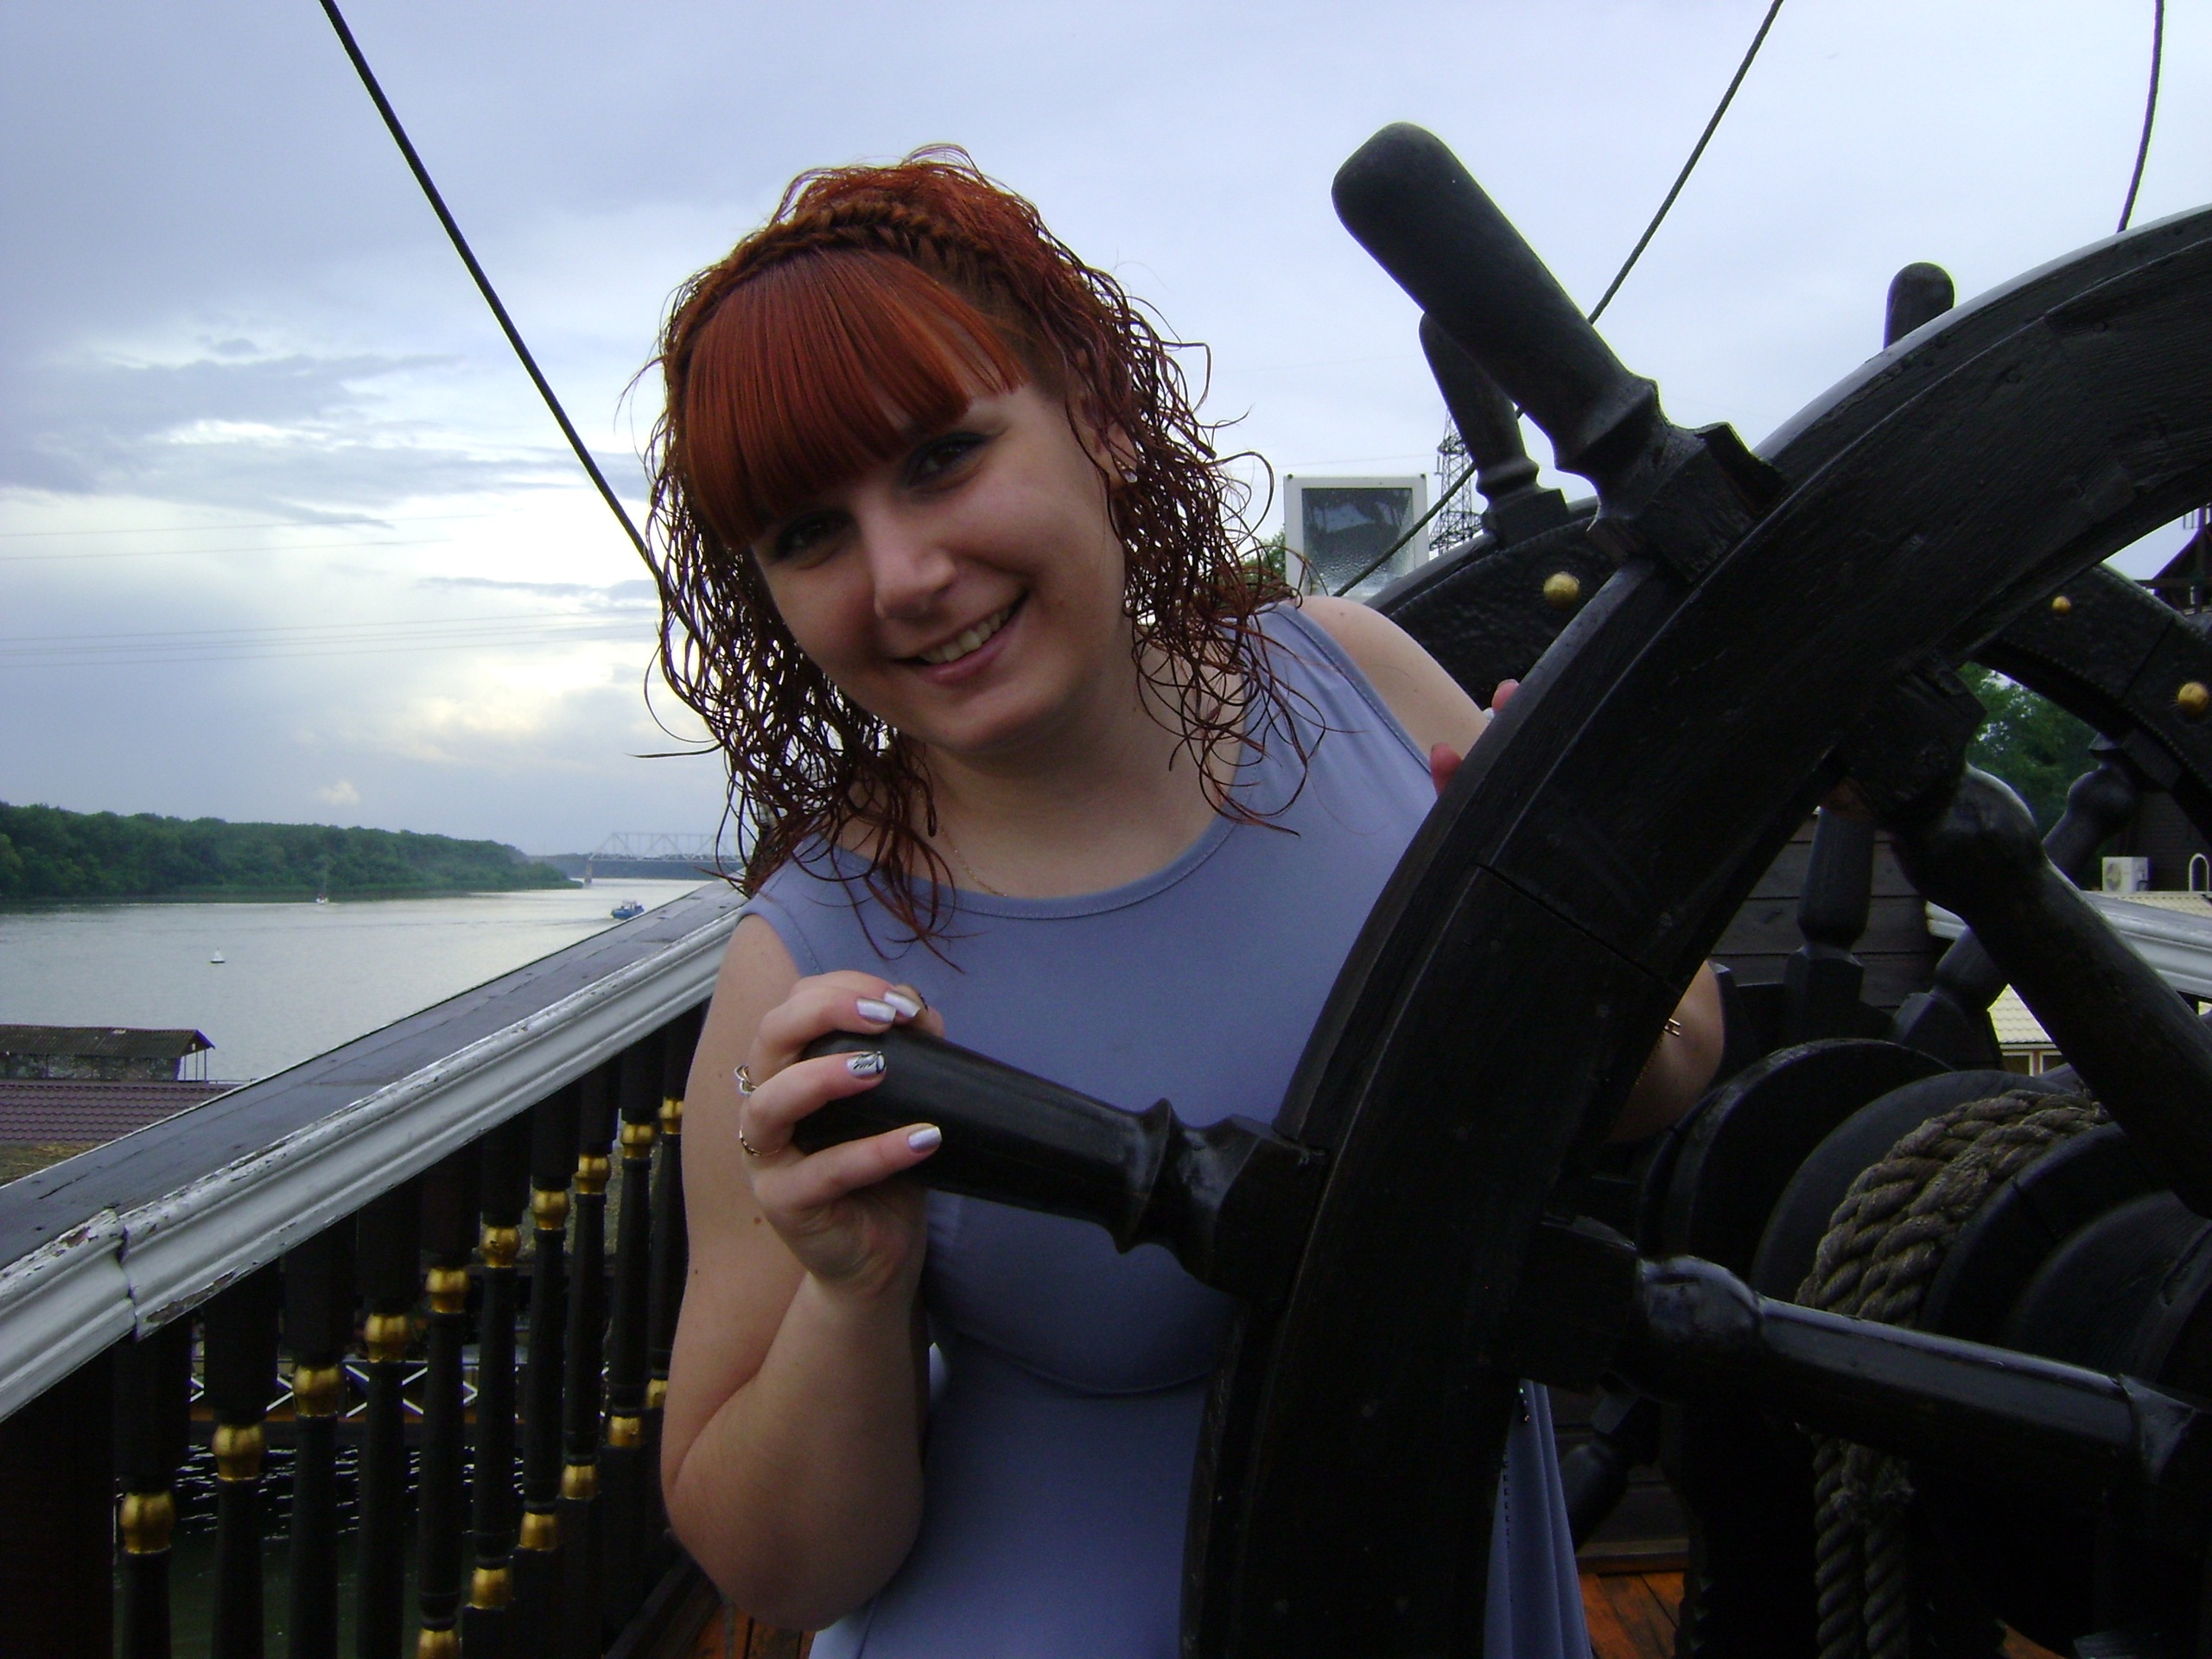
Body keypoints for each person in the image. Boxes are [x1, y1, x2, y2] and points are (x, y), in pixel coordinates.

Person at [650, 151, 1724, 1658]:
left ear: (1093, 414)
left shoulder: (1351, 677)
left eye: (943, 457)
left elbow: (1671, 1066)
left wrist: (1575, 922)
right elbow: (783, 1570)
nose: (902, 576)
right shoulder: (804, 968)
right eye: (808, 536)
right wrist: (852, 1295)